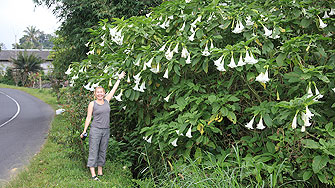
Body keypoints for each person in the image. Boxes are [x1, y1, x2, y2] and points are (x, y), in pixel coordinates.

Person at [80, 71, 126, 181]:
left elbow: (114, 89)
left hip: (106, 130)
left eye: (102, 92)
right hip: (95, 130)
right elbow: (88, 118)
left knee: (103, 150)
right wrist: (84, 130)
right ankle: (93, 174)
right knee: (93, 150)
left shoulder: (107, 101)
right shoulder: (92, 104)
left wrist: (119, 79)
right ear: (95, 94)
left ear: (104, 93)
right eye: (98, 92)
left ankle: (100, 170)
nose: (100, 94)